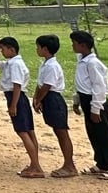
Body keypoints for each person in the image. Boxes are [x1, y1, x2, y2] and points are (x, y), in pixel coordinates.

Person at [71, 30, 108, 180]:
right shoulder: (82, 60)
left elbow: (99, 87)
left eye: (74, 43)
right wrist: (77, 101)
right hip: (85, 99)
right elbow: (81, 83)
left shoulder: (93, 63)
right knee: (94, 134)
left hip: (96, 102)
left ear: (83, 45)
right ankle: (102, 163)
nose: (72, 46)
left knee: (105, 135)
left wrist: (96, 109)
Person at [0, 37, 42, 178]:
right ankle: (34, 164)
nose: (2, 52)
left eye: (3, 49)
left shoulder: (15, 64)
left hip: (16, 98)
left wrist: (13, 105)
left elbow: (17, 85)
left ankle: (36, 167)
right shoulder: (10, 62)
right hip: (18, 98)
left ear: (12, 49)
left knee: (23, 132)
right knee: (29, 131)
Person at [33, 34, 76, 178]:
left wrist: (39, 99)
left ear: (45, 49)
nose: (36, 49)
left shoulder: (52, 66)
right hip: (47, 98)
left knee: (62, 133)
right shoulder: (45, 64)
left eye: (38, 47)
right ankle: (68, 164)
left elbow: (47, 86)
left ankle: (69, 165)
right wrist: (36, 97)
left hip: (53, 99)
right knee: (58, 132)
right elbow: (40, 83)